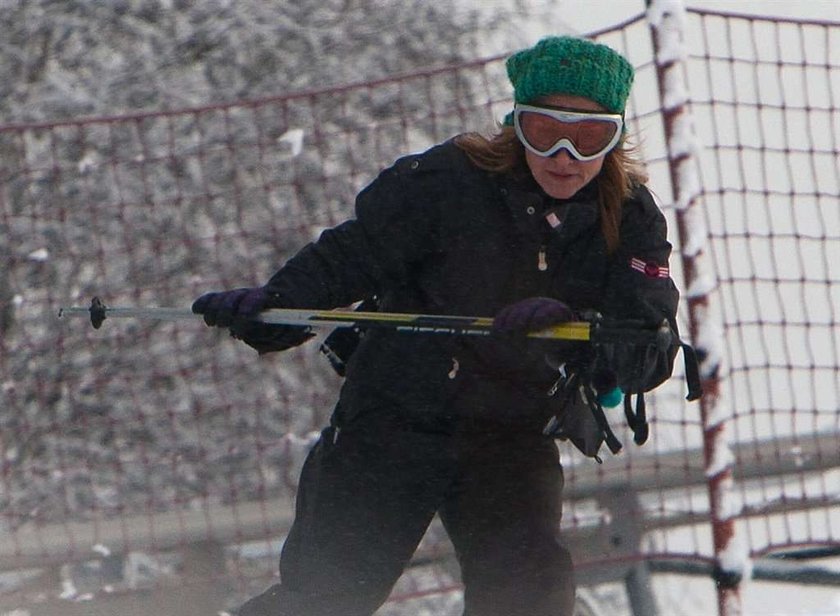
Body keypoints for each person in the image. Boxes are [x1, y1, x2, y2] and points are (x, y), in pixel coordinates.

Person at [193, 35, 682, 616]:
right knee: (324, 599)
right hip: (391, 420)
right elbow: (351, 257)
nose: (565, 157)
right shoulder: (446, 182)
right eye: (545, 132)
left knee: (529, 600)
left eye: (590, 137)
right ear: (515, 126)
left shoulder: (629, 220)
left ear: (616, 139)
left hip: (511, 439)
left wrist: (578, 329)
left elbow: (648, 347)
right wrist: (274, 309)